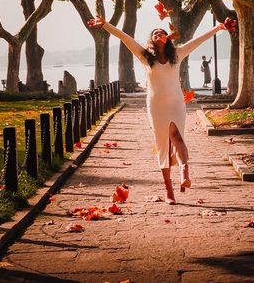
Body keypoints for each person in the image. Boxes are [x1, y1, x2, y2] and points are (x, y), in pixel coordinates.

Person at [88, 14, 236, 204]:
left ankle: (184, 171)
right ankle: (169, 190)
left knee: (177, 137)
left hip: (176, 103)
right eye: (155, 32)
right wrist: (106, 25)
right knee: (163, 147)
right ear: (152, 39)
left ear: (168, 38)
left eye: (162, 32)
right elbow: (125, 38)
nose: (159, 33)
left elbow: (197, 41)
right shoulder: (145, 56)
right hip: (156, 106)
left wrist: (218, 28)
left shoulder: (178, 53)